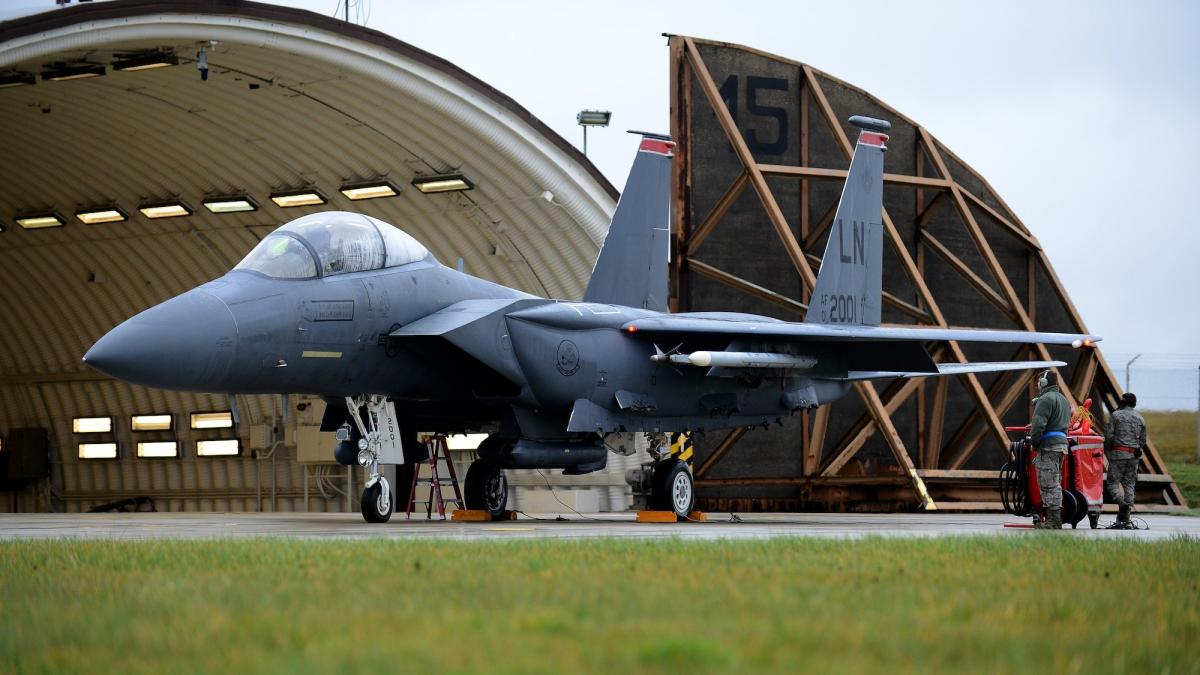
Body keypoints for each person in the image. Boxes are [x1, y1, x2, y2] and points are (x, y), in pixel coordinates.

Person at [1030, 369, 1071, 529]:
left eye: (1039, 382)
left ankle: (1054, 521)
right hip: (1060, 446)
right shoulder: (1063, 399)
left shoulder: (1045, 399)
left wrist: (1035, 441)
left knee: (1049, 483)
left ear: (1043, 383)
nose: (1037, 385)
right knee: (1054, 482)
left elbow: (1039, 424)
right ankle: (1053, 519)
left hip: (1048, 446)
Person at [1104, 392, 1146, 529]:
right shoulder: (1140, 418)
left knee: (1112, 483)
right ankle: (1125, 519)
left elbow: (1109, 435)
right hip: (1133, 456)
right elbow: (1143, 440)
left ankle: (1122, 504)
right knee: (1129, 485)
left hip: (1118, 454)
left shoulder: (1116, 415)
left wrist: (1108, 448)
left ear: (1122, 402)